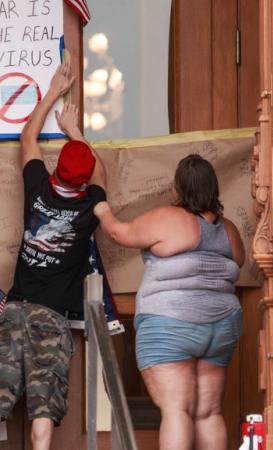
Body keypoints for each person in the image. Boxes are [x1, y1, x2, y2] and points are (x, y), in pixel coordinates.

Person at [0, 60, 107, 450]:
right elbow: (101, 174)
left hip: (15, 308)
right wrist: (74, 132)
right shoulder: (90, 206)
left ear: (56, 170)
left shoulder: (38, 188)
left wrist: (52, 93)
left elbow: (27, 137)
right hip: (51, 316)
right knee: (44, 400)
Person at [94, 154, 244, 450]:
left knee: (176, 411)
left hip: (171, 325)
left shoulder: (168, 218)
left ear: (177, 189)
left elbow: (118, 233)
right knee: (209, 412)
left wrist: (102, 210)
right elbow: (239, 261)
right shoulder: (229, 229)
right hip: (221, 327)